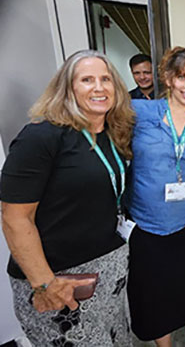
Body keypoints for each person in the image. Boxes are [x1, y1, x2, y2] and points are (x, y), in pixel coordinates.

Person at [0, 49, 134, 345]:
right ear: (68, 88)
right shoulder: (41, 137)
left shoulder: (113, 134)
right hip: (61, 281)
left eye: (106, 79)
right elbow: (14, 218)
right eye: (87, 80)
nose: (99, 87)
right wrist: (44, 283)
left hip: (107, 274)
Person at [126, 47, 185, 347]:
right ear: (168, 78)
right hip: (148, 224)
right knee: (154, 292)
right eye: (183, 77)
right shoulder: (138, 113)